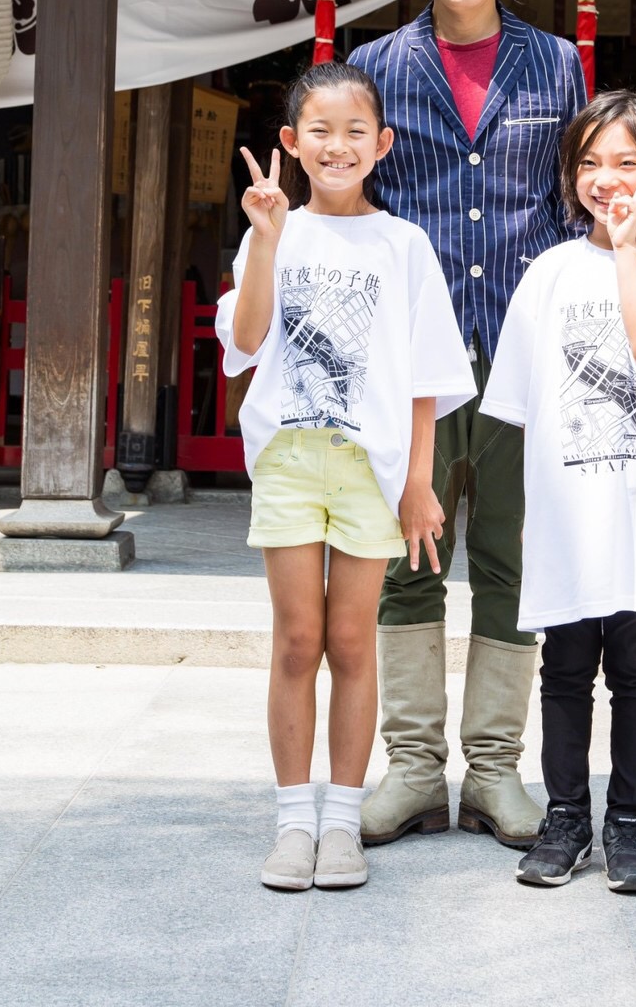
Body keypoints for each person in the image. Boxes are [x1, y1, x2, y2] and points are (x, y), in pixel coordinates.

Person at [348, 0, 587, 849]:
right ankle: (411, 767)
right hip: (411, 351)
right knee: (407, 556)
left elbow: (580, 203)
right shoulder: (377, 66)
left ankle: (494, 771)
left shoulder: (559, 65)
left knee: (511, 554)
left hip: (524, 348)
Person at [215, 62, 475, 892]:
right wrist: (262, 235)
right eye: (318, 132)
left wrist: (420, 483)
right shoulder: (275, 233)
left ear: (382, 145)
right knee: (297, 641)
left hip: (372, 465)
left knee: (353, 640)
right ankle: (295, 820)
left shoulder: (403, 244)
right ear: (291, 143)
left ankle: (341, 824)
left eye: (354, 131)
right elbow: (247, 342)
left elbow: (427, 374)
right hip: (292, 458)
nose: (337, 146)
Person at [480, 89, 636, 892]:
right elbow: (511, 408)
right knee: (566, 668)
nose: (606, 179)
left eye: (626, 163)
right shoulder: (547, 272)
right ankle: (567, 818)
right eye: (590, 164)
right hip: (565, 512)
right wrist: (515, 520)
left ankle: (630, 826)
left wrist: (623, 249)